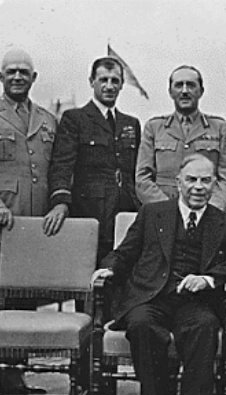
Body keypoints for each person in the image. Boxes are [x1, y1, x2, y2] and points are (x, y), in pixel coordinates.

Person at [93, 154, 226, 395]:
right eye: (191, 180)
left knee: (204, 325)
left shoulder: (225, 223)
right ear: (178, 183)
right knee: (141, 324)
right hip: (152, 296)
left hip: (195, 302)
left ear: (214, 185)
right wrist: (109, 268)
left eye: (205, 180)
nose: (198, 187)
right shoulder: (152, 213)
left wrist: (208, 279)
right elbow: (126, 252)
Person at [43, 56, 141, 263]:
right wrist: (60, 202)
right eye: (103, 80)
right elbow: (62, 165)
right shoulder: (75, 119)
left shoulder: (130, 123)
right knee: (88, 269)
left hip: (125, 210)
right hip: (90, 210)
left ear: (122, 84)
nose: (109, 86)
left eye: (115, 81)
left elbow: (135, 171)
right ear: (91, 82)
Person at [0, 48, 57, 395]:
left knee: (25, 297)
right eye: (11, 72)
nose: (18, 77)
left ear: (34, 78)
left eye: (24, 72)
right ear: (1, 77)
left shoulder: (48, 120)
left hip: (35, 225)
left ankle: (13, 374)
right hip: (4, 222)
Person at [135, 65, 226, 213]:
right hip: (163, 214)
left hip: (206, 214)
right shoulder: (154, 127)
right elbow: (143, 179)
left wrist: (210, 214)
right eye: (179, 85)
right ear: (170, 92)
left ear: (201, 91)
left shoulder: (219, 128)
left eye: (191, 85)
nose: (184, 91)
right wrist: (168, 211)